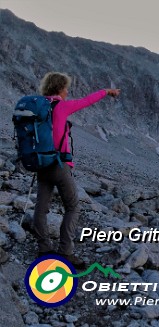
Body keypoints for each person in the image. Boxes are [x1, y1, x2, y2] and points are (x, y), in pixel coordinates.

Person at [31, 72, 119, 259]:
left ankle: (44, 248)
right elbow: (88, 100)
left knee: (41, 207)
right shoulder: (62, 106)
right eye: (65, 88)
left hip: (40, 164)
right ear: (59, 88)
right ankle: (65, 252)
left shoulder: (37, 106)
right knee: (72, 207)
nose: (67, 91)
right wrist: (106, 91)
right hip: (59, 165)